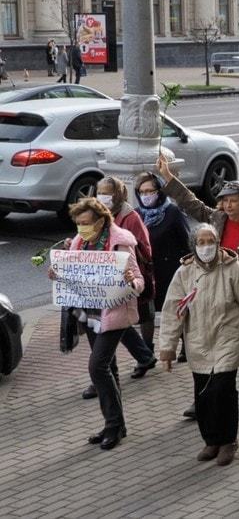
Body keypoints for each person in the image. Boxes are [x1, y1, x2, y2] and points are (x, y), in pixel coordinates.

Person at [157, 155, 239, 406]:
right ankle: (204, 398)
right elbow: (193, 205)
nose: (228, 206)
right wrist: (169, 178)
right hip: (215, 290)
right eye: (224, 201)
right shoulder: (217, 218)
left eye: (233, 201)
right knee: (213, 345)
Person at [158, 223, 239, 467]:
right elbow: (172, 311)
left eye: (211, 241)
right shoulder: (184, 274)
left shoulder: (233, 269)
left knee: (222, 389)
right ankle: (211, 440)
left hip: (227, 337)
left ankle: (228, 440)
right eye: (201, 242)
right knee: (204, 393)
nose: (206, 247)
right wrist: (167, 347)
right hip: (198, 340)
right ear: (193, 246)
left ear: (218, 243)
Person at [52, 198, 144, 451]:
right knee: (108, 368)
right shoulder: (80, 241)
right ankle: (115, 425)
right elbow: (72, 273)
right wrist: (57, 272)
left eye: (86, 223)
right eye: (78, 224)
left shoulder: (120, 243)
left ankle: (114, 426)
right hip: (90, 313)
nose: (82, 228)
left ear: (101, 221)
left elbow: (138, 281)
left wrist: (129, 282)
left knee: (97, 367)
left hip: (114, 315)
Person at [95, 176, 158, 377]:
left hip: (127, 278)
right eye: (100, 192)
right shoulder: (97, 215)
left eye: (108, 193)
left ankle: (106, 370)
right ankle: (144, 357)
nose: (103, 197)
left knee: (115, 320)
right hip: (104, 280)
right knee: (113, 320)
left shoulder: (130, 217)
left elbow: (143, 248)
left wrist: (125, 263)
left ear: (118, 195)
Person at [133, 171, 191, 326]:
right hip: (148, 274)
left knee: (175, 314)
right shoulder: (137, 215)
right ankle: (147, 348)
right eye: (142, 192)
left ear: (159, 192)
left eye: (150, 191)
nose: (145, 195)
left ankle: (184, 347)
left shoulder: (172, 213)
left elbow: (188, 244)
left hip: (170, 274)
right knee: (147, 315)